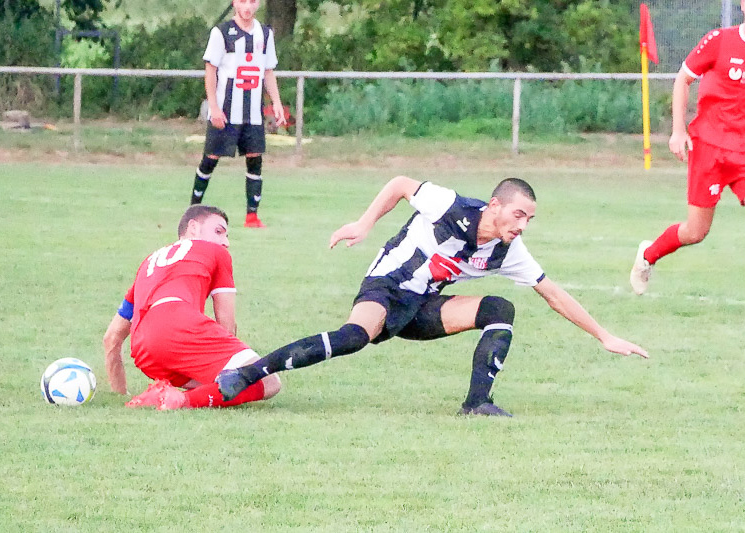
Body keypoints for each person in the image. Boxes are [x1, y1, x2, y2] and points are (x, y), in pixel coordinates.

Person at [215, 177, 648, 416]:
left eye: (530, 219)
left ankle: (477, 404)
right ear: (495, 205)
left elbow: (552, 293)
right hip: (385, 288)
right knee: (353, 337)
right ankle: (248, 374)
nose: (523, 225)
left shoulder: (506, 249)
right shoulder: (454, 207)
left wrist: (603, 336)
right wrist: (364, 224)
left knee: (500, 308)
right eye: (519, 214)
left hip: (422, 309)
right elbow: (402, 183)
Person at [103, 205, 281, 410]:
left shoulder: (149, 263)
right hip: (178, 326)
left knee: (215, 387)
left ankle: (155, 397)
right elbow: (226, 324)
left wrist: (119, 393)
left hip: (144, 350)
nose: (226, 242)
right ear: (193, 228)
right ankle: (180, 401)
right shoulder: (215, 252)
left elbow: (111, 338)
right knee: (266, 381)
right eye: (218, 232)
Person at [630, 6, 745, 295]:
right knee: (696, 232)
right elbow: (683, 79)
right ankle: (648, 255)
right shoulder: (719, 40)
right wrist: (678, 131)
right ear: (744, 5)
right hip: (710, 148)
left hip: (747, 153)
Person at [189, 0, 287, 228]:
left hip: (252, 113)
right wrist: (213, 107)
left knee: (255, 158)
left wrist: (277, 103)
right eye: (243, 1)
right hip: (225, 111)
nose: (247, 6)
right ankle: (192, 210)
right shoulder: (222, 33)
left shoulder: (264, 34)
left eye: (252, 1)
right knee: (210, 158)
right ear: (234, 3)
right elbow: (210, 71)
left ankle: (252, 216)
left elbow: (268, 72)